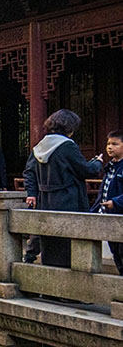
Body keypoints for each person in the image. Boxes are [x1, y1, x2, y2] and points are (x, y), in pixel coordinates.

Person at [23, 109, 105, 268]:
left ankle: (49, 286)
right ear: (70, 128)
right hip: (68, 199)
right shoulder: (67, 146)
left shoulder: (40, 146)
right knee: (68, 243)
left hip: (45, 200)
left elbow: (29, 172)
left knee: (50, 243)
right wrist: (97, 162)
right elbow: (85, 170)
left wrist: (32, 193)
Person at [91, 130, 123, 273]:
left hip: (119, 213)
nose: (110, 147)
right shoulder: (110, 166)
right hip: (109, 214)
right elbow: (102, 191)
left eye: (115, 144)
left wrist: (115, 202)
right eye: (108, 144)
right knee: (115, 250)